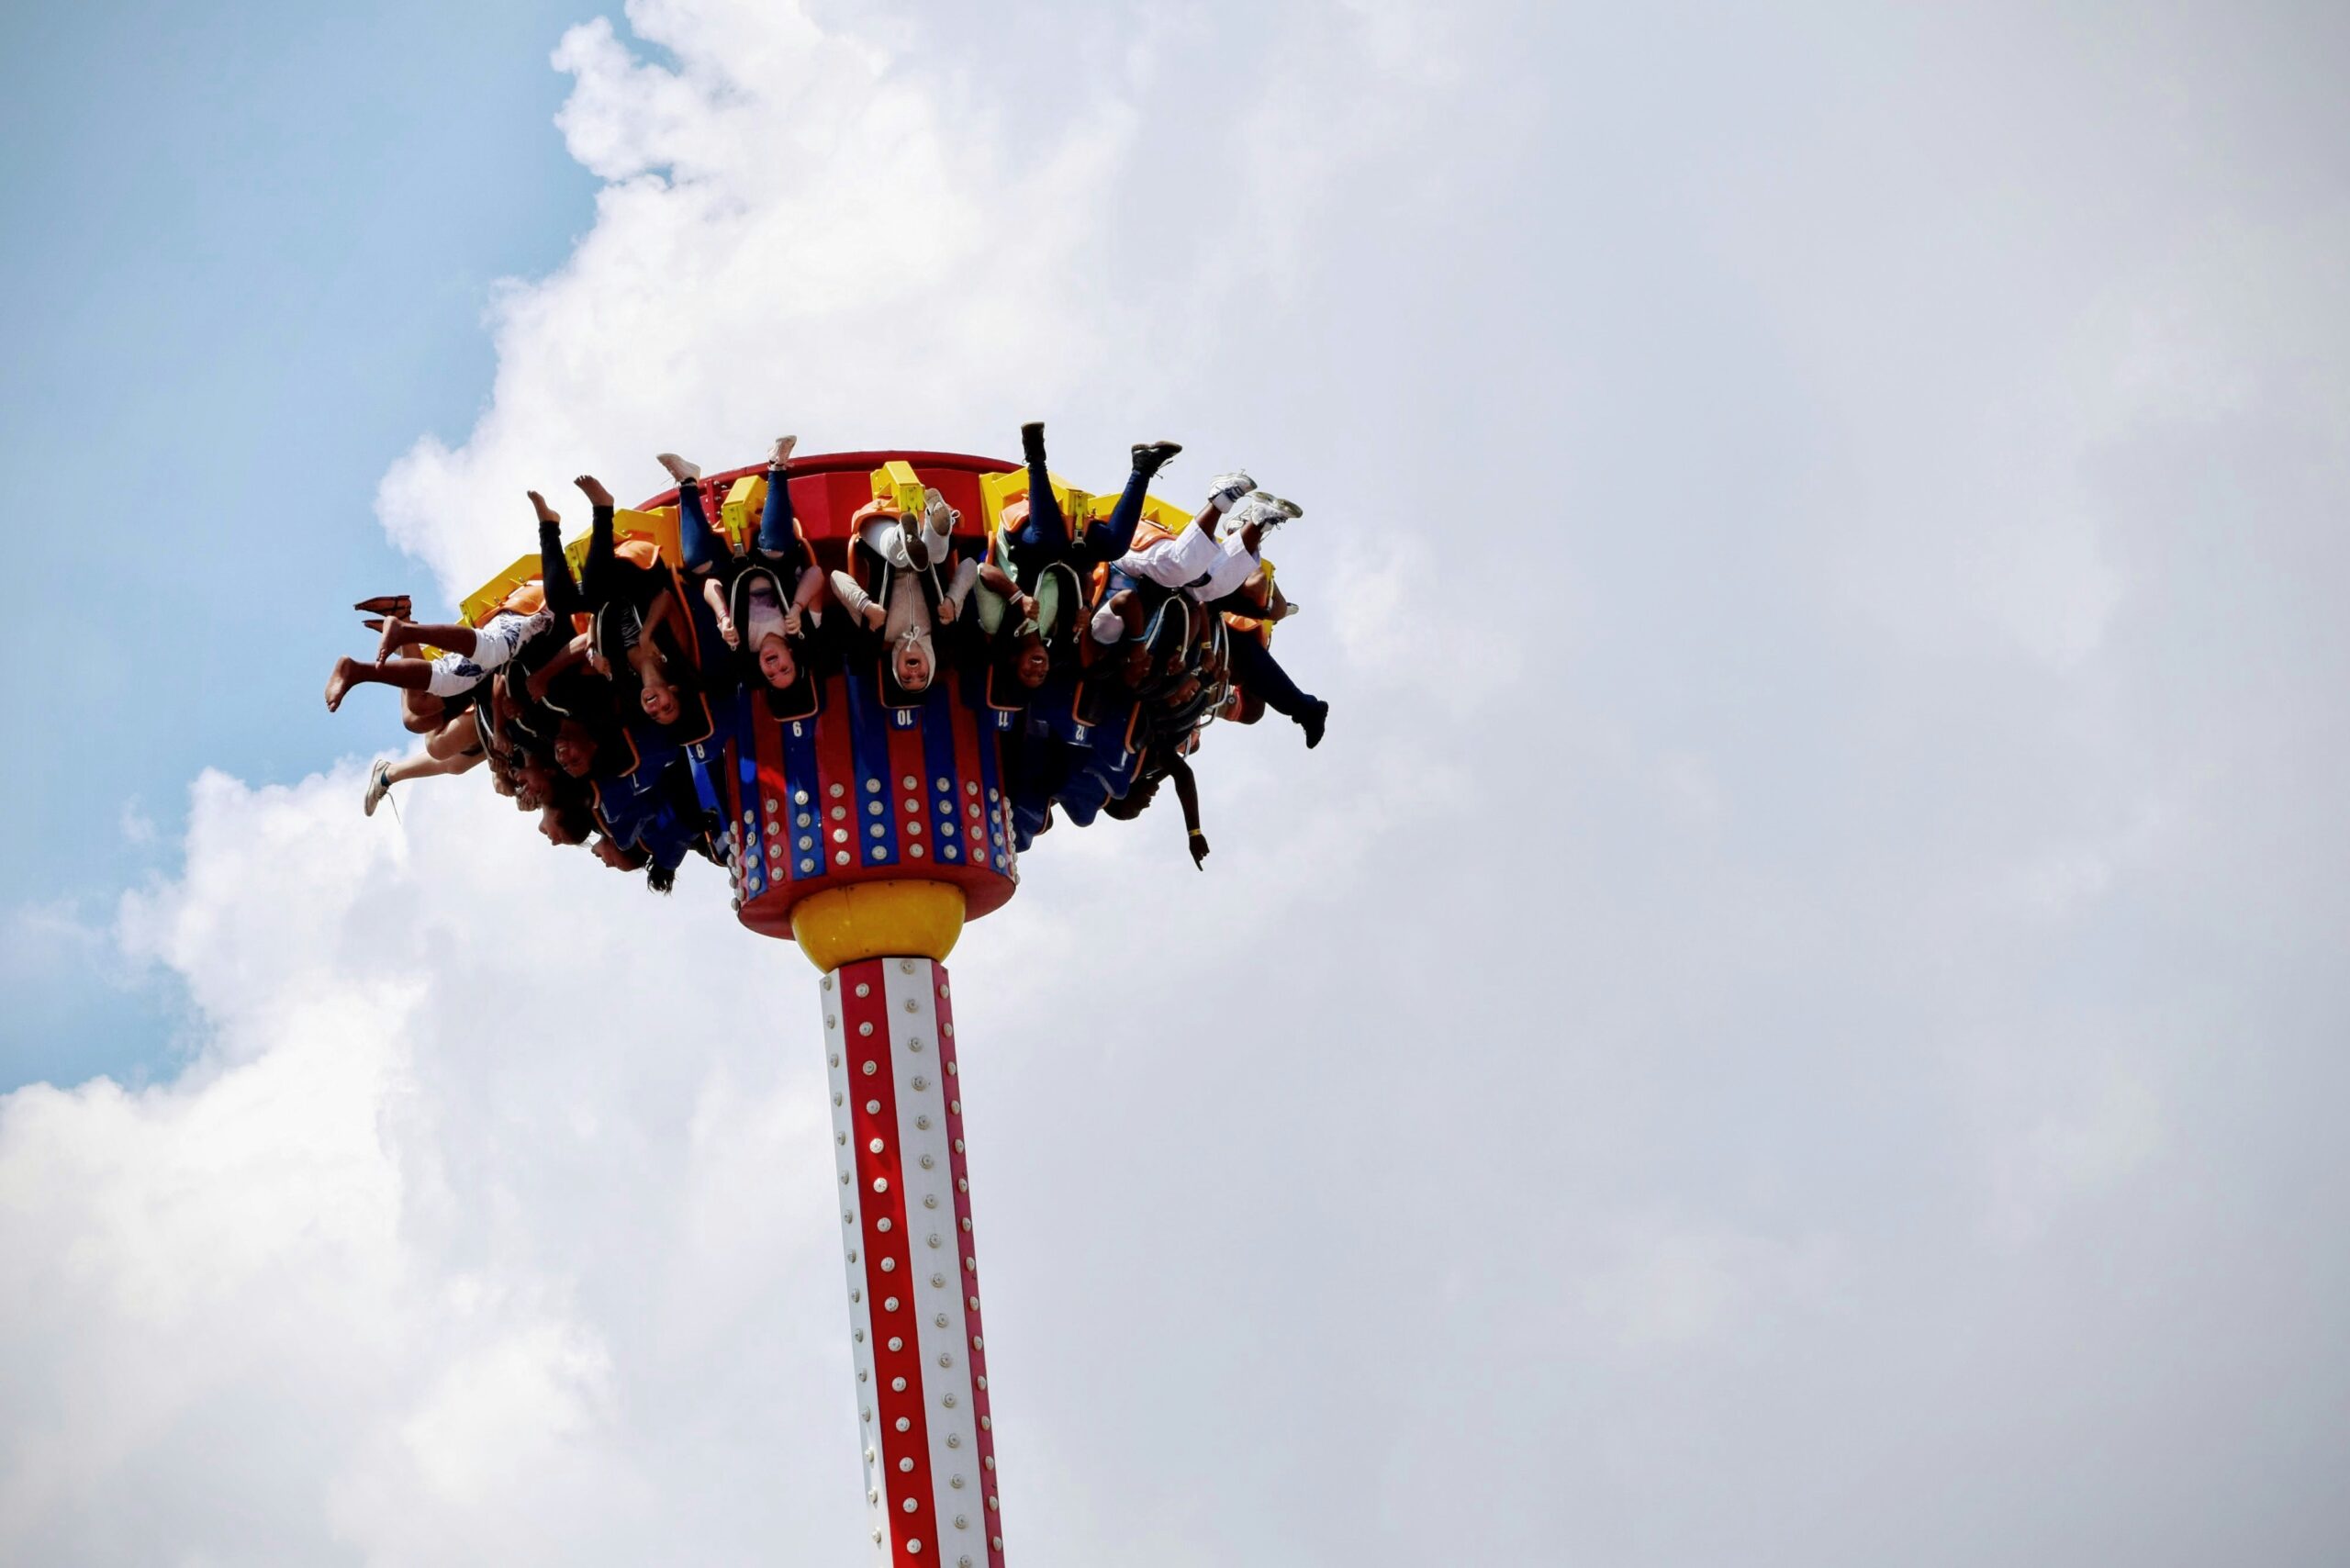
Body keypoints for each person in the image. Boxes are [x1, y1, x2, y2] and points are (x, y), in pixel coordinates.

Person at [659, 436, 827, 692]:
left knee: (698, 564)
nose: (774, 667)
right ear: (792, 655)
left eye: (771, 675)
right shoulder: (804, 628)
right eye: (785, 668)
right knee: (774, 547)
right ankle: (777, 467)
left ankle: (687, 482)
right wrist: (796, 607)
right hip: (772, 556)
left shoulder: (740, 641)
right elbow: (816, 573)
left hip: (730, 568)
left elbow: (710, 585)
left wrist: (723, 617)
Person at [827, 487, 978, 693]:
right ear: (930, 664)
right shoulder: (943, 624)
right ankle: (936, 525)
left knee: (893, 551)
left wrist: (866, 606)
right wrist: (953, 599)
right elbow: (970, 566)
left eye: (906, 678)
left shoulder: (879, 631)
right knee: (935, 556)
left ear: (896, 668)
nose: (914, 673)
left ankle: (904, 537)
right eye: (922, 676)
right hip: (926, 539)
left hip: (882, 535)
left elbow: (836, 578)